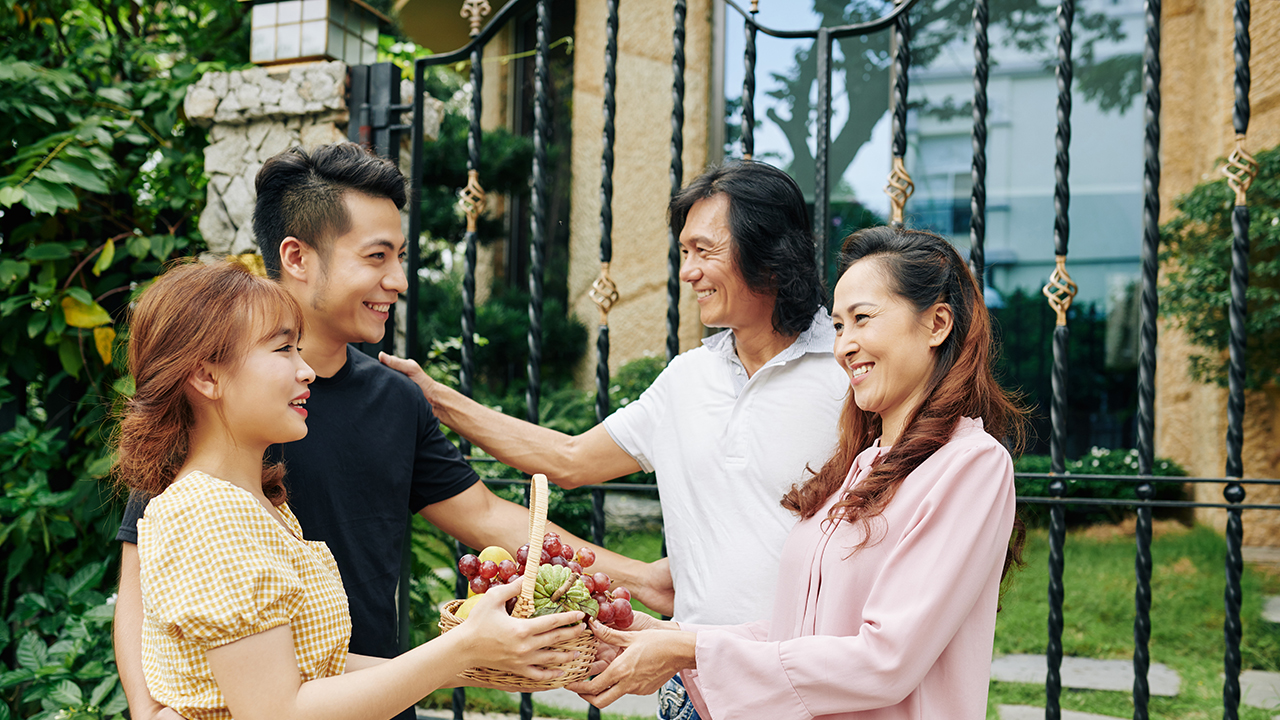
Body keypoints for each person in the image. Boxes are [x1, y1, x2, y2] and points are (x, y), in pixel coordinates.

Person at [112, 142, 656, 720]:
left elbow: (488, 518)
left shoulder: (396, 399)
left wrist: (641, 579)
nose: (397, 279)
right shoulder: (213, 447)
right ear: (297, 257)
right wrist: (151, 711)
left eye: (400, 255)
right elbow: (144, 585)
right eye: (376, 256)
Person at [380, 160, 849, 717]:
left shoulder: (850, 373)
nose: (689, 272)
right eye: (684, 254)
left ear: (769, 249)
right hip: (693, 691)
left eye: (705, 251)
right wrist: (435, 398)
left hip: (806, 692)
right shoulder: (687, 380)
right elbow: (569, 459)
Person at [565, 226, 1028, 720]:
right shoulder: (862, 465)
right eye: (839, 326)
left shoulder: (971, 465)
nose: (845, 345)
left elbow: (884, 661)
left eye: (863, 319)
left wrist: (691, 652)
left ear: (937, 324)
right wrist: (671, 638)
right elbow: (800, 635)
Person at [115, 260, 584, 720]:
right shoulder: (209, 513)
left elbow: (316, 670)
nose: (307, 371)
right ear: (207, 376)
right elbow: (278, 712)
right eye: (282, 350)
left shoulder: (254, 505)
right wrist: (461, 648)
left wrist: (480, 660)